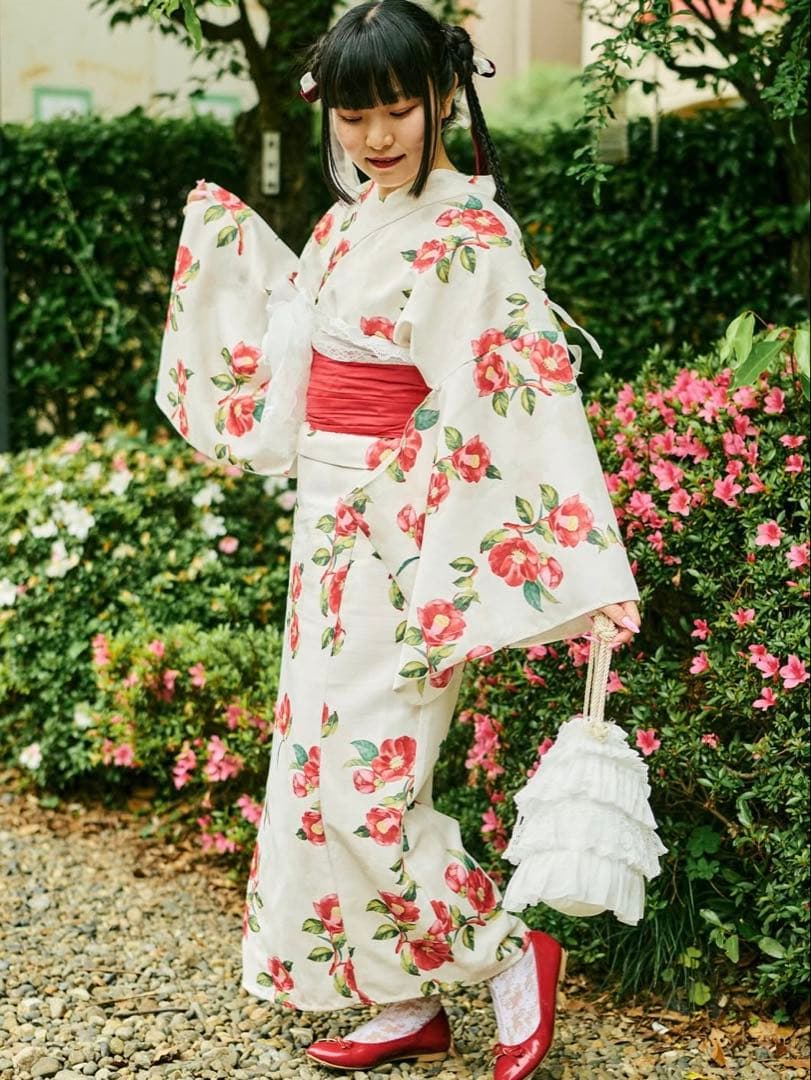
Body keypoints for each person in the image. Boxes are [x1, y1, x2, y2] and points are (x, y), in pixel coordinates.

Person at [154, 2, 642, 1076]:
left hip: (404, 532)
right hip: (327, 534)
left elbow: (514, 395)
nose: (376, 137)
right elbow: (298, 365)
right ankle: (399, 998)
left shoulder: (468, 238)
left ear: (441, 98)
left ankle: (507, 953)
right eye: (354, 115)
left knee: (368, 785)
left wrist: (585, 564)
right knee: (312, 771)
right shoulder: (346, 226)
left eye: (397, 110)